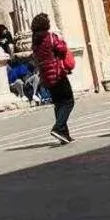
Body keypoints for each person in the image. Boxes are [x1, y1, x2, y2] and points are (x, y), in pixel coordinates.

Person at [31, 12, 75, 144]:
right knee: (68, 101)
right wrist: (61, 40)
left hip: (46, 76)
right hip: (57, 73)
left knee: (59, 103)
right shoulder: (50, 37)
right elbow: (62, 49)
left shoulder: (35, 42)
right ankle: (58, 128)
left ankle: (64, 135)